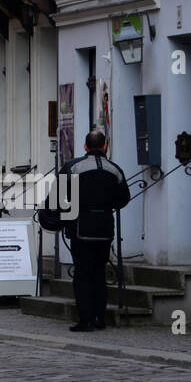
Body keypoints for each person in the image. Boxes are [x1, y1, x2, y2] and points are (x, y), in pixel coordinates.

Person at [59, 130, 130, 332]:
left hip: (80, 226)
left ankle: (85, 319)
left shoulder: (73, 167)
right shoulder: (114, 169)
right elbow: (124, 198)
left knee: (82, 274)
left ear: (85, 147)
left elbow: (59, 197)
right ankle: (100, 317)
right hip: (105, 227)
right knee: (99, 273)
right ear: (105, 147)